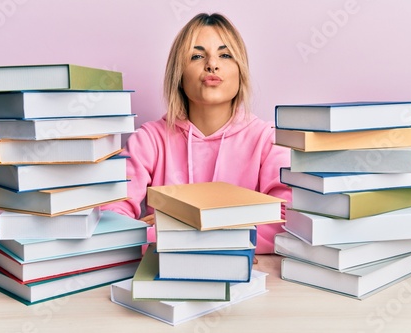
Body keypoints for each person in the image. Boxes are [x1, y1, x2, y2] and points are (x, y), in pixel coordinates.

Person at [101, 12, 292, 255]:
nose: (212, 64)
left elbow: (286, 226)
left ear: (241, 71)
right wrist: (236, 235)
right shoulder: (149, 140)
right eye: (197, 56)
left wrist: (168, 230)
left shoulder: (269, 141)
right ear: (179, 75)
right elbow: (110, 220)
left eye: (225, 55)